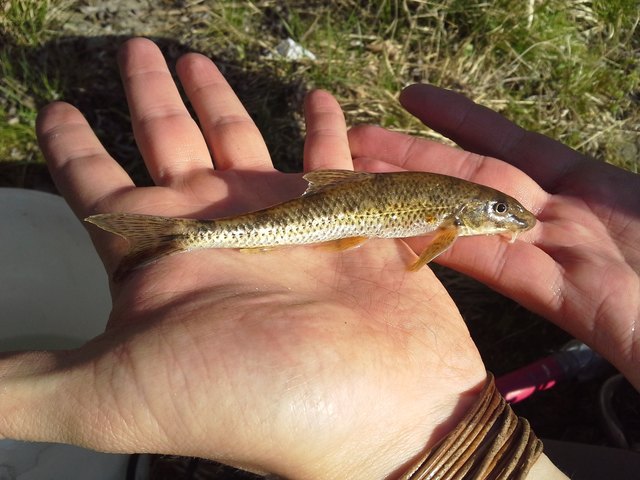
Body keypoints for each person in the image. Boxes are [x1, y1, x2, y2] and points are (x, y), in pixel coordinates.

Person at [0, 37, 637, 479]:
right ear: (469, 213)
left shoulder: (455, 211)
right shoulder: (448, 221)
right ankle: (182, 236)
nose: (509, 221)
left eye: (503, 214)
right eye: (500, 213)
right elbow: (428, 251)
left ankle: (183, 236)